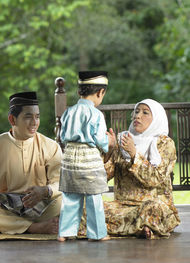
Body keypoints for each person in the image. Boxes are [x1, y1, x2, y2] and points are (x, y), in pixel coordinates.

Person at [0, 92, 62, 235]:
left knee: (63, 202)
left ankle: (2, 226)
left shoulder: (51, 146)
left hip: (40, 206)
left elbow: (60, 182)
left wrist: (45, 191)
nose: (34, 122)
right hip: (6, 205)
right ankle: (32, 228)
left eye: (37, 117)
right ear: (12, 119)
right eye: (28, 117)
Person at [103, 98, 180, 239]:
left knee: (153, 210)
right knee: (91, 209)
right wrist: (109, 151)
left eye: (145, 113)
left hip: (153, 205)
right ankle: (141, 228)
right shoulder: (123, 140)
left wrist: (134, 155)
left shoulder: (164, 143)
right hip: (123, 206)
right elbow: (103, 178)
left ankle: (137, 226)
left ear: (156, 119)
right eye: (136, 112)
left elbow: (155, 179)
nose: (138, 116)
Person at [57, 71, 115, 242]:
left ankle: (65, 232)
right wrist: (108, 142)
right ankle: (97, 234)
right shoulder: (96, 114)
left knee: (70, 196)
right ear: (100, 93)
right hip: (88, 159)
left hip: (69, 159)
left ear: (78, 92)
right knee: (94, 197)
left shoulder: (68, 112)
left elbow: (62, 135)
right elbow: (99, 139)